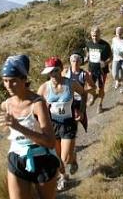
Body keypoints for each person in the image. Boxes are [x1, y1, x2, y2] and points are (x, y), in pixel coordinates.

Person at [0, 55, 59, 199]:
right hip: (17, 158)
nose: (8, 85)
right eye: (5, 81)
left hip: (42, 159)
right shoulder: (6, 105)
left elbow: (50, 141)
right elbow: (10, 133)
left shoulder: (37, 104)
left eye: (13, 81)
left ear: (24, 79)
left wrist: (18, 127)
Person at [38, 56, 86, 191]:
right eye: (49, 72)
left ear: (60, 70)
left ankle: (73, 157)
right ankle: (63, 177)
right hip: (52, 125)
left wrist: (81, 111)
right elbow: (36, 105)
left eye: (55, 71)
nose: (52, 75)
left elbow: (83, 94)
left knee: (65, 158)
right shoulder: (44, 88)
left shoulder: (70, 84)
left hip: (68, 123)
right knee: (57, 157)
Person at [85, 26, 112, 114]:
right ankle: (93, 96)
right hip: (91, 70)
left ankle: (100, 105)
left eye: (96, 35)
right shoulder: (89, 44)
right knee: (90, 87)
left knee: (101, 89)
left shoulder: (105, 45)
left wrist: (105, 63)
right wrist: (86, 58)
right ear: (91, 35)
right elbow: (88, 54)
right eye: (93, 36)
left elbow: (111, 57)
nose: (94, 37)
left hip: (102, 71)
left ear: (100, 34)